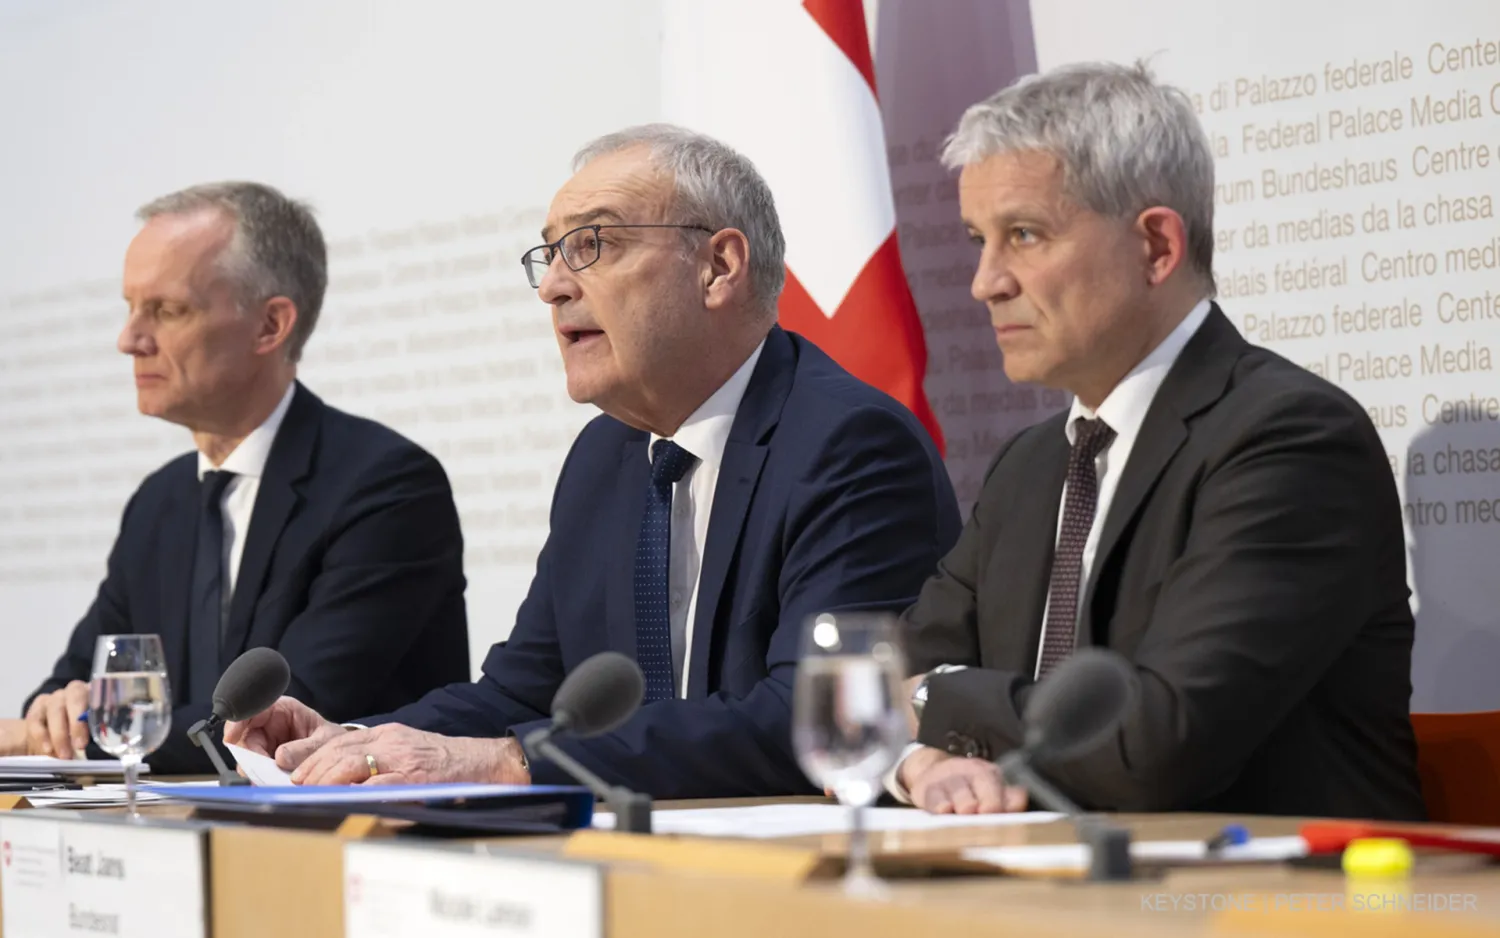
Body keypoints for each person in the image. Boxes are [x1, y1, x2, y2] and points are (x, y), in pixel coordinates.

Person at [227, 125, 961, 799]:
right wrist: (351, 742)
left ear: (718, 266)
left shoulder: (849, 442)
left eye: (593, 244)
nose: (553, 285)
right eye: (550, 253)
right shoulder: (605, 454)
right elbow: (524, 690)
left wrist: (512, 760)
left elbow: (815, 716)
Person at [892, 62, 1425, 821]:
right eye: (980, 239)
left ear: (1156, 247)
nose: (985, 282)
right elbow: (874, 692)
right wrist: (923, 765)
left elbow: (1156, 746)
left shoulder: (1290, 441)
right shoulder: (1030, 466)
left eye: (1023, 235)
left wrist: (937, 696)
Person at [4, 182, 471, 773]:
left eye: (167, 311)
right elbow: (65, 689)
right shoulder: (159, 503)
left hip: (347, 843)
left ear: (270, 326)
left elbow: (281, 717)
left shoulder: (386, 486)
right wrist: (58, 715)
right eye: (129, 308)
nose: (129, 341)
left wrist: (71, 733)